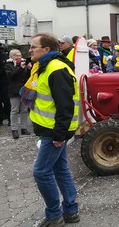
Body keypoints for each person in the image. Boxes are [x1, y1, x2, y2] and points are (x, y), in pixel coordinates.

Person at [28, 33, 80, 226]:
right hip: (51, 129)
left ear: (46, 50)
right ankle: (71, 211)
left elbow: (65, 105)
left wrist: (59, 135)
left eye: (34, 47)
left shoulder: (55, 69)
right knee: (60, 168)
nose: (30, 50)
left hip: (53, 131)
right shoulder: (47, 66)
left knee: (41, 172)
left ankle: (53, 215)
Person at [5, 49, 31, 139]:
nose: (18, 57)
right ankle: (14, 129)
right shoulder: (8, 65)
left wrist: (28, 68)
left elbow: (28, 77)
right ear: (11, 56)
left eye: (19, 55)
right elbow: (11, 76)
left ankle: (24, 127)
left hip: (24, 90)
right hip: (14, 91)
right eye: (16, 55)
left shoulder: (24, 64)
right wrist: (19, 68)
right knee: (15, 110)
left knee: (24, 110)